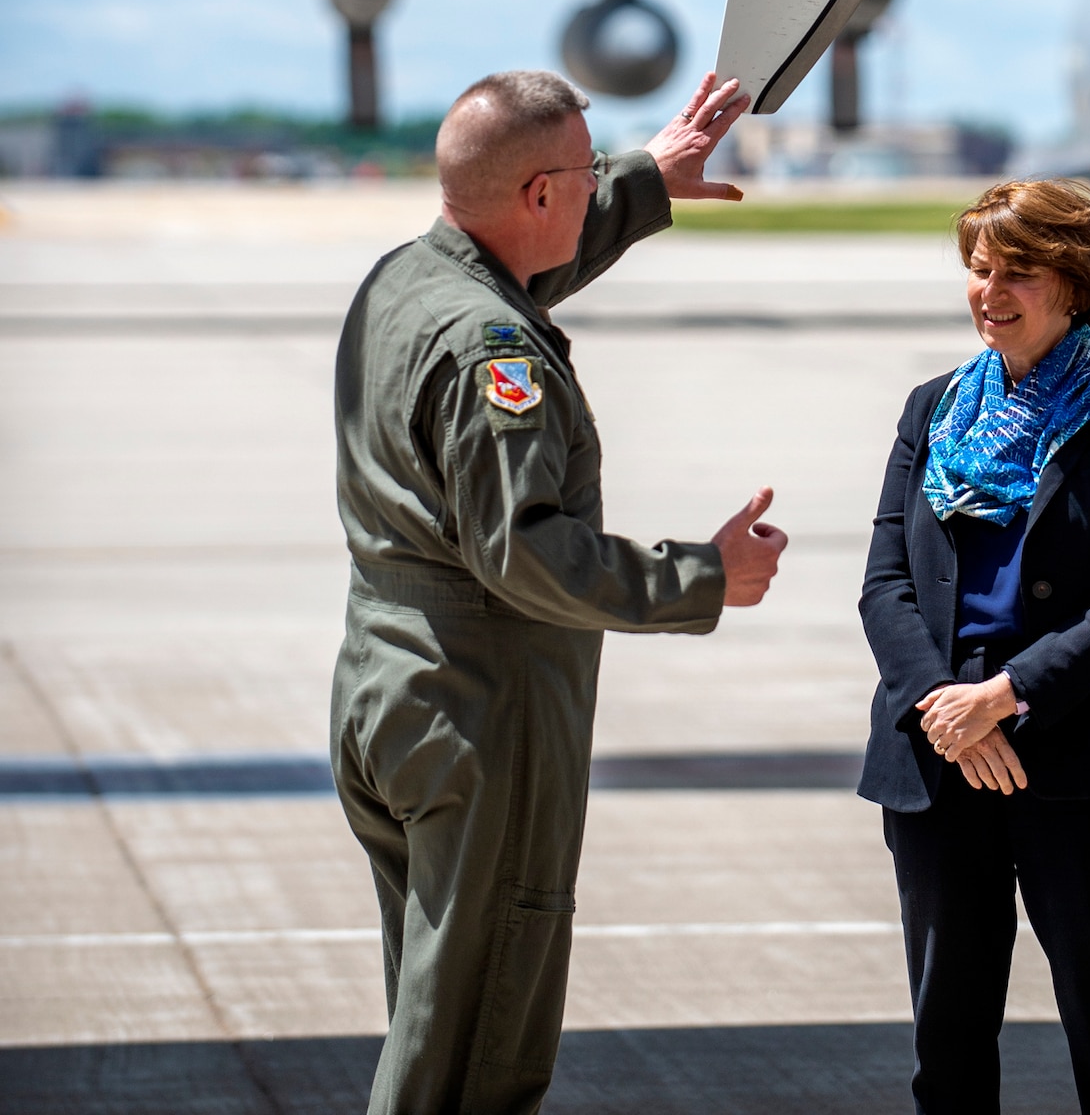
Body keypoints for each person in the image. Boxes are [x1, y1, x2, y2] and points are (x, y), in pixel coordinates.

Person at [330, 68, 786, 1115]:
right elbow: (523, 552)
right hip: (482, 706)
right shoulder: (496, 351)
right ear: (538, 194)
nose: (591, 190)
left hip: (388, 687)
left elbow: (517, 269)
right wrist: (705, 574)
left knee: (434, 1008)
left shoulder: (404, 281)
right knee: (475, 1050)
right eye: (583, 176)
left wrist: (645, 180)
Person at [858, 178, 1090, 1115]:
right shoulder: (930, 411)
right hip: (939, 757)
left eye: (1019, 274)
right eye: (978, 270)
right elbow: (885, 584)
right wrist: (946, 709)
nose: (990, 292)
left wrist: (1000, 698)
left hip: (1086, 758)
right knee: (948, 1039)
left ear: (1078, 284)